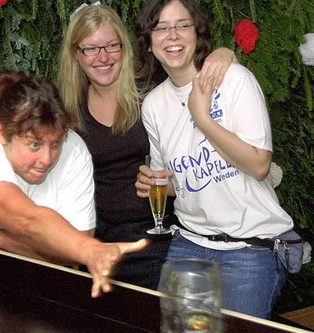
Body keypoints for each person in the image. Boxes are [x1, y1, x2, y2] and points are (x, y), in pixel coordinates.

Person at [133, 0, 294, 318]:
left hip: (249, 247)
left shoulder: (234, 80)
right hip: (189, 242)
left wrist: (203, 118)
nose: (173, 35)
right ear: (149, 44)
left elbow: (259, 166)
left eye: (183, 24)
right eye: (161, 28)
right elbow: (180, 184)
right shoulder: (153, 105)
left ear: (197, 33)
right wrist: (155, 185)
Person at [0, 70, 146, 297]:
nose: (47, 159)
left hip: (21, 264)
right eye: (34, 145)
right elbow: (27, 221)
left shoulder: (74, 150)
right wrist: (89, 250)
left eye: (55, 143)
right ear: (2, 132)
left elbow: (70, 253)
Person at [57, 3, 235, 290]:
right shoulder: (69, 106)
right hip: (98, 239)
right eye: (90, 48)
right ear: (76, 54)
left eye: (111, 46)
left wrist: (223, 55)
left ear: (124, 48)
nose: (103, 57)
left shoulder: (152, 86)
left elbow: (194, 67)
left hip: (156, 235)